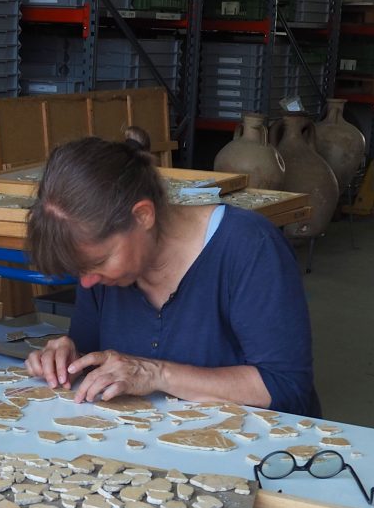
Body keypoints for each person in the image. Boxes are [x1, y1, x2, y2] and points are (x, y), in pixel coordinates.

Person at [24, 134, 320, 417]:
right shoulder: (100, 275)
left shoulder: (251, 247)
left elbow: (285, 386)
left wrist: (157, 374)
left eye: (99, 261)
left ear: (143, 216)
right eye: (80, 269)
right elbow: (92, 355)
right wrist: (68, 357)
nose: (86, 281)